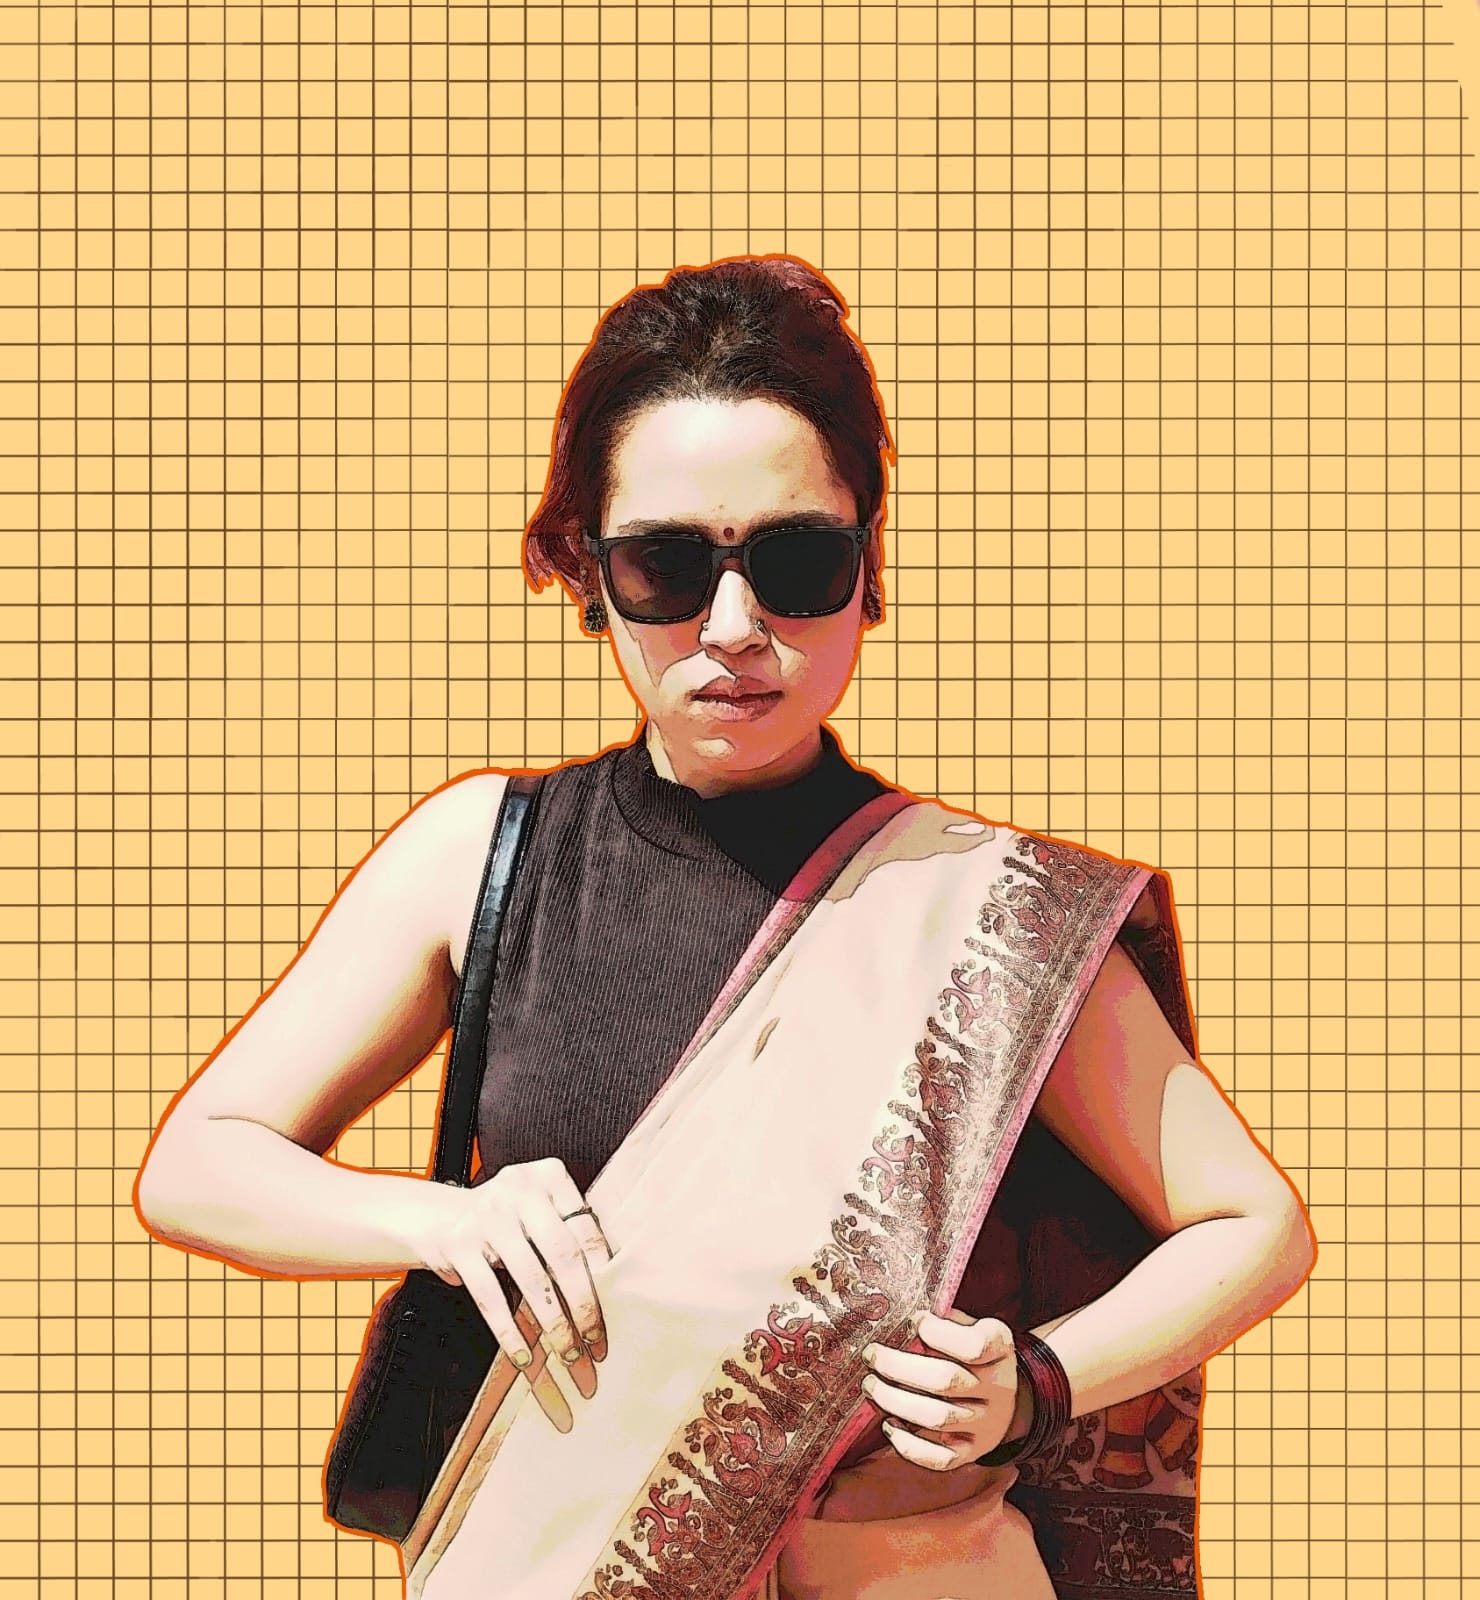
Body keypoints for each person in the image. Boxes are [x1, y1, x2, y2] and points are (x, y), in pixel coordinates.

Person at [135, 255, 1316, 1600]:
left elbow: (1252, 1224)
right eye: (668, 566)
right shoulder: (483, 855)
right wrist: (442, 1221)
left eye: (798, 561)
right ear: (586, 571)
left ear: (868, 567)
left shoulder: (991, 906)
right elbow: (200, 1164)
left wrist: (1037, 1383)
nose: (737, 626)